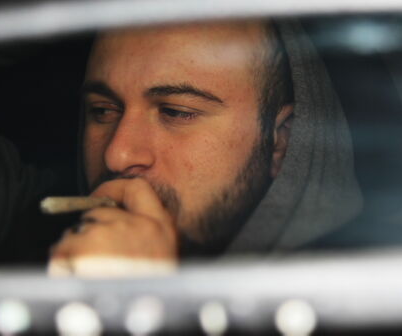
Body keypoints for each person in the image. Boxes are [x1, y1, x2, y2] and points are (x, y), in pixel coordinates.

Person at [47, 20, 363, 277]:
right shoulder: (40, 253)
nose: (117, 156)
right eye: (102, 111)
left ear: (281, 142)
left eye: (177, 112)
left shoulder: (357, 295)